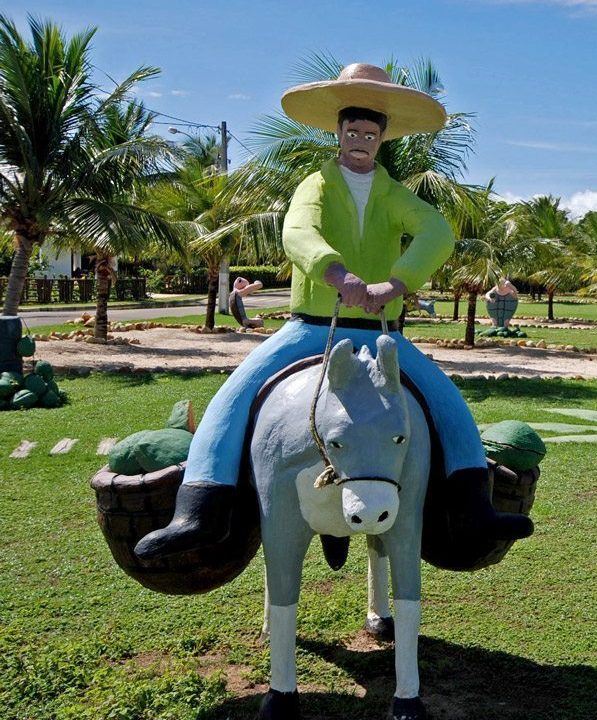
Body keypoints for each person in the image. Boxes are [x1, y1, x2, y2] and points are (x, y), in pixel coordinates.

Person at [136, 63, 532, 560]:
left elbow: (436, 232)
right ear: (338, 134)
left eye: (370, 133)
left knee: (447, 402)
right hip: (311, 329)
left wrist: (397, 281)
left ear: (382, 138)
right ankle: (200, 508)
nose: (360, 140)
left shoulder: (394, 194)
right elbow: (298, 230)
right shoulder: (315, 186)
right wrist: (337, 275)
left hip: (382, 330)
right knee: (234, 396)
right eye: (352, 131)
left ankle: (473, 506)